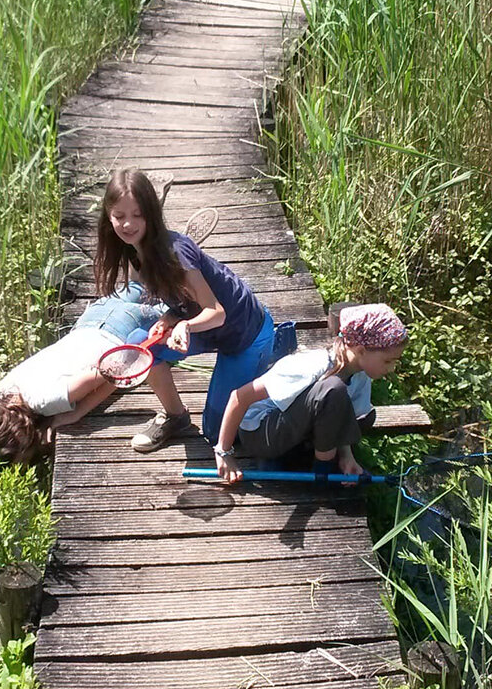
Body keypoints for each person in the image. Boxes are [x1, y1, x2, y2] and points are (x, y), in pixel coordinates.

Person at [93, 167, 276, 452]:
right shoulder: (133, 251)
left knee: (218, 434)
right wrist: (171, 317)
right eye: (119, 216)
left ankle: (272, 367)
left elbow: (217, 312)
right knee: (141, 344)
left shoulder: (176, 253)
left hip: (246, 333)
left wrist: (186, 325)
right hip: (205, 326)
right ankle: (176, 417)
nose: (127, 224)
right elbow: (182, 300)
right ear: (108, 216)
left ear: (151, 213)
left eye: (137, 215)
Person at [212, 303, 408, 482]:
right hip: (260, 433)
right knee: (332, 390)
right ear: (361, 350)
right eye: (387, 361)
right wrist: (224, 453)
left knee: (365, 417)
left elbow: (343, 417)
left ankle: (306, 458)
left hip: (290, 425)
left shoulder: (360, 373)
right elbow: (239, 396)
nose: (390, 369)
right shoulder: (312, 366)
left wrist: (347, 456)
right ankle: (322, 468)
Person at [0, 284, 163, 465]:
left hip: (122, 330)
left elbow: (113, 370)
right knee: (154, 275)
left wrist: (75, 413)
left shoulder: (46, 402)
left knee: (184, 305)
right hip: (93, 317)